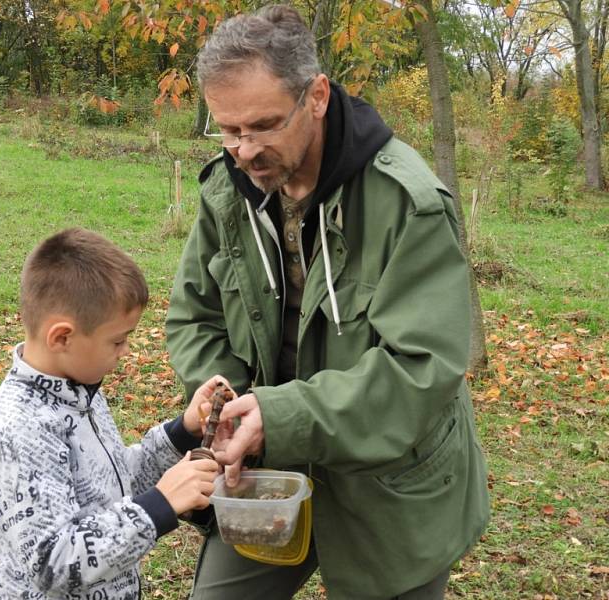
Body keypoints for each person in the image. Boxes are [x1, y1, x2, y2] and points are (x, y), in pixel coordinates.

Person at [165, 5, 490, 600]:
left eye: (263, 126)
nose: (243, 150)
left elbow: (421, 369)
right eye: (229, 130)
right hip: (266, 474)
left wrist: (279, 416)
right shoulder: (227, 191)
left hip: (388, 487)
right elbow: (194, 316)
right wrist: (228, 404)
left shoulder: (407, 203)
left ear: (315, 96)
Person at [0, 227, 223, 599]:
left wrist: (182, 432)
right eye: (118, 340)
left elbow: (109, 485)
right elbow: (52, 563)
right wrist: (159, 507)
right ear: (62, 337)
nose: (125, 352)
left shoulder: (78, 391)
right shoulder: (19, 429)